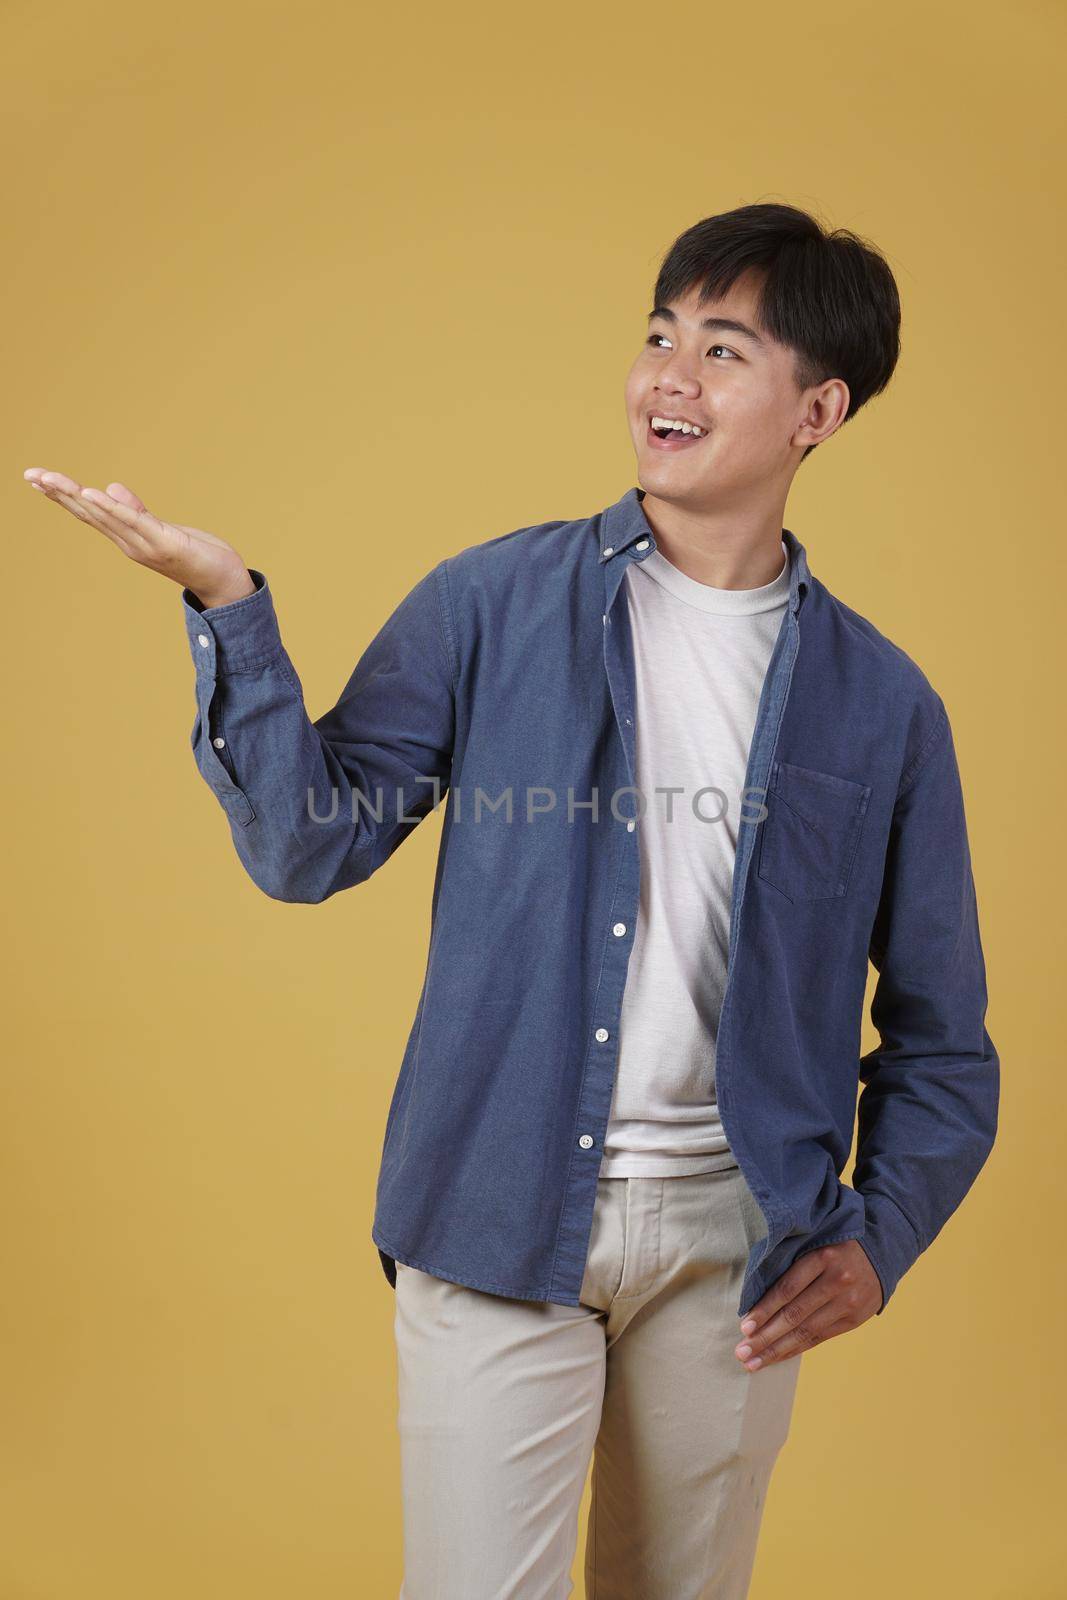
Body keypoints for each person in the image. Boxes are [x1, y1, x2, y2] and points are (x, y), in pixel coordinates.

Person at [24, 200, 999, 1600]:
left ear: (818, 410)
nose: (668, 375)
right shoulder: (493, 601)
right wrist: (231, 603)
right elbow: (310, 847)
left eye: (723, 350)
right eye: (659, 337)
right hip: (498, 1207)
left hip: (736, 1248)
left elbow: (944, 1037)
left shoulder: (886, 706)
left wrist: (883, 1238)